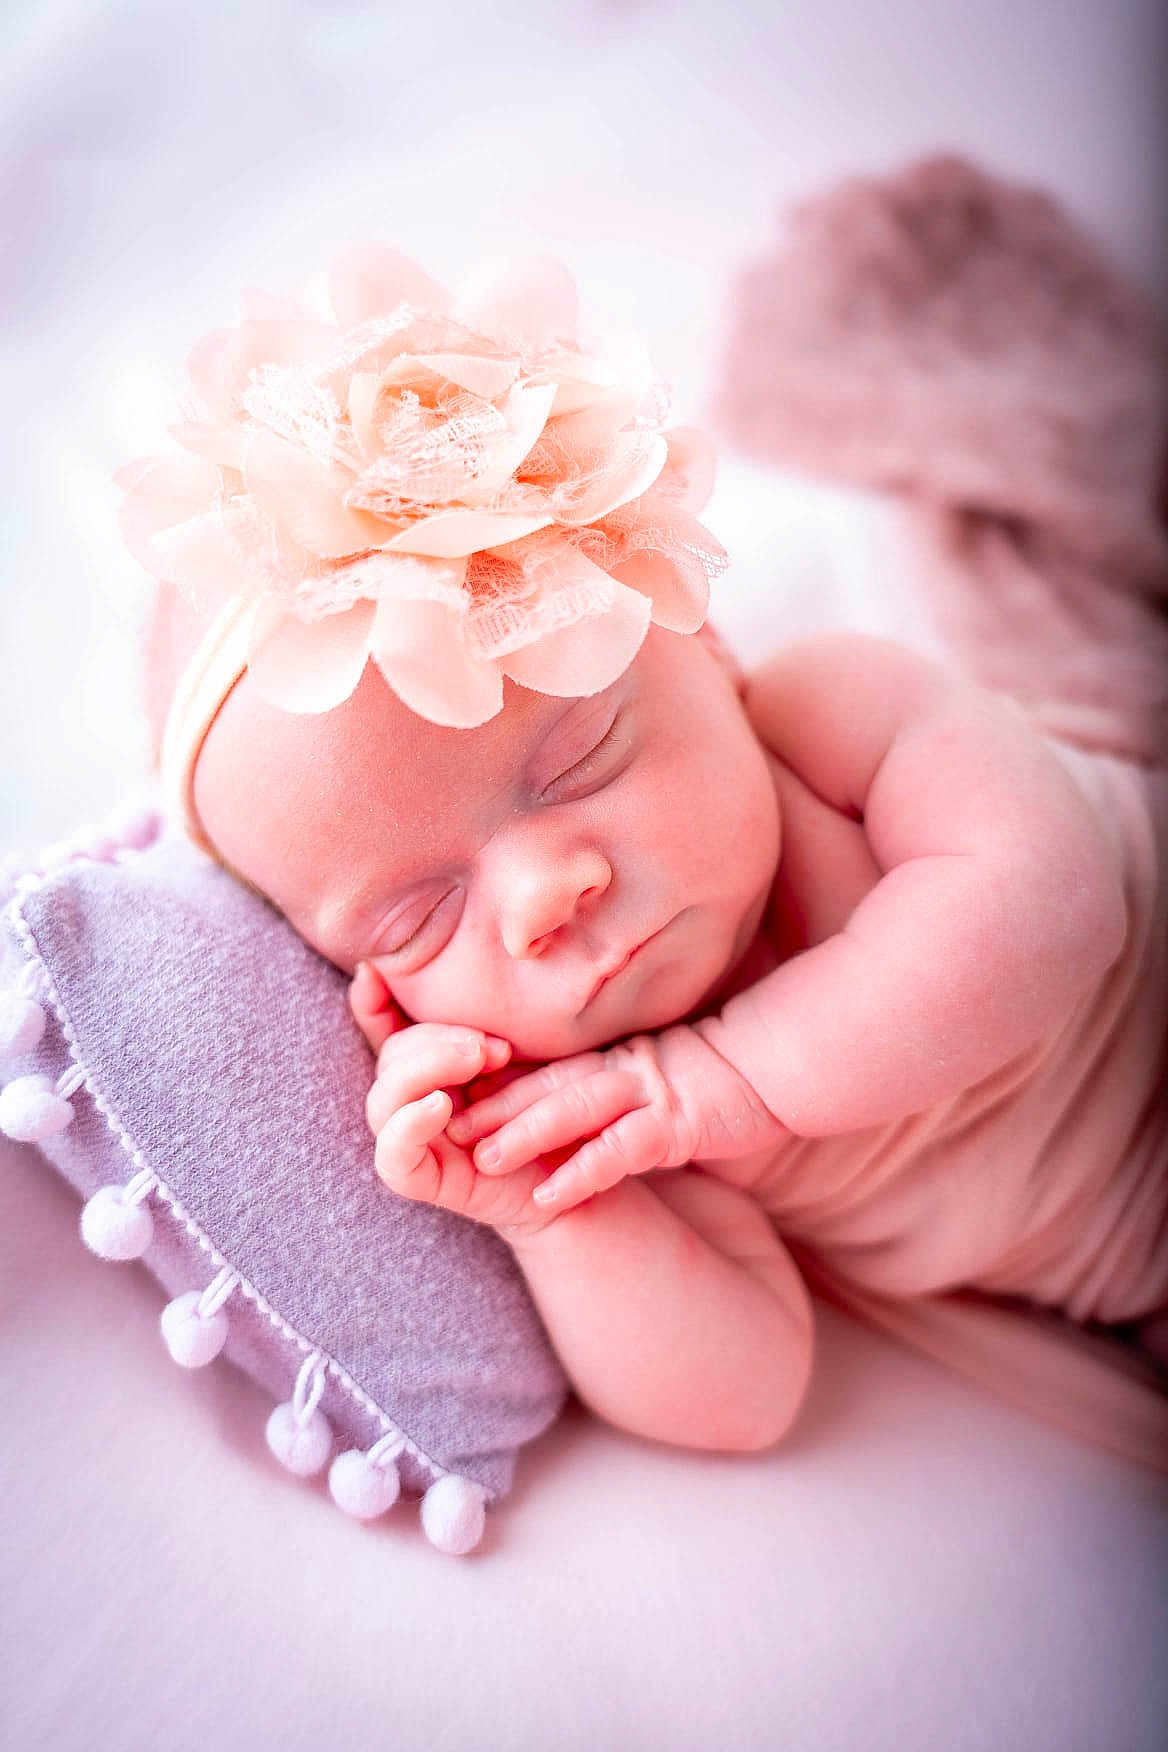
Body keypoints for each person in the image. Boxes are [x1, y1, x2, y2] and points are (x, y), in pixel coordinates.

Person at [132, 232, 1168, 1471]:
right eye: (415, 919)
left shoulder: (836, 717)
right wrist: (557, 1215)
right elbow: (743, 1395)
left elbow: (1054, 907)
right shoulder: (604, 1100)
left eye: (579, 763)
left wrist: (710, 1087)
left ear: (709, 651)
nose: (538, 896)